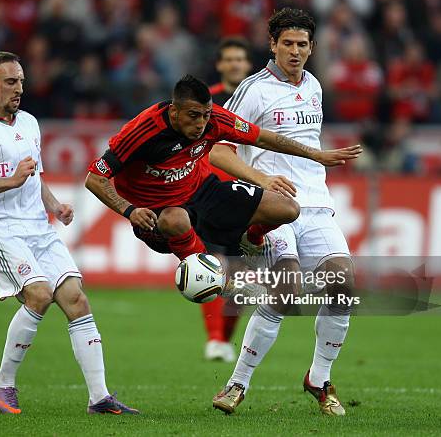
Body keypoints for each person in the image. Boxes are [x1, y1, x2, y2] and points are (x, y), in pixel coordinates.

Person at [0, 51, 138, 415]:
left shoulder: (30, 123)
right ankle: (1, 385)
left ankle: (99, 397)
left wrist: (53, 205)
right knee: (39, 295)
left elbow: (34, 176)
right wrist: (11, 180)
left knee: (76, 299)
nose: (19, 88)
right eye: (10, 82)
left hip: (38, 226)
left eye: (20, 81)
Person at [85, 74, 360, 295]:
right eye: (193, 115)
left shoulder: (215, 119)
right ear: (174, 110)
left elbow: (262, 137)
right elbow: (95, 178)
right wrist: (130, 211)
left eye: (205, 114)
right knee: (176, 220)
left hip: (203, 190)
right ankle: (219, 280)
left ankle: (251, 241)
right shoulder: (143, 131)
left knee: (288, 208)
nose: (201, 123)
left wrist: (315, 154)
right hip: (158, 209)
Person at [210, 7, 356, 416]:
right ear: (272, 45)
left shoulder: (314, 86)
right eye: (287, 43)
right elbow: (220, 150)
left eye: (302, 44)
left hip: (316, 204)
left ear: (312, 48)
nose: (295, 51)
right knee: (288, 288)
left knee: (343, 283)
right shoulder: (253, 90)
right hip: (272, 208)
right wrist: (260, 179)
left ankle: (319, 378)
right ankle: (237, 384)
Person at [203, 38, 255, 362]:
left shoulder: (258, 98)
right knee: (211, 266)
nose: (235, 64)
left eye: (240, 59)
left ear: (247, 65)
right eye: (230, 59)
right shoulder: (207, 100)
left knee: (241, 276)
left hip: (247, 196)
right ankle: (214, 338)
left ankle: (224, 339)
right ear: (221, 65)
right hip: (209, 193)